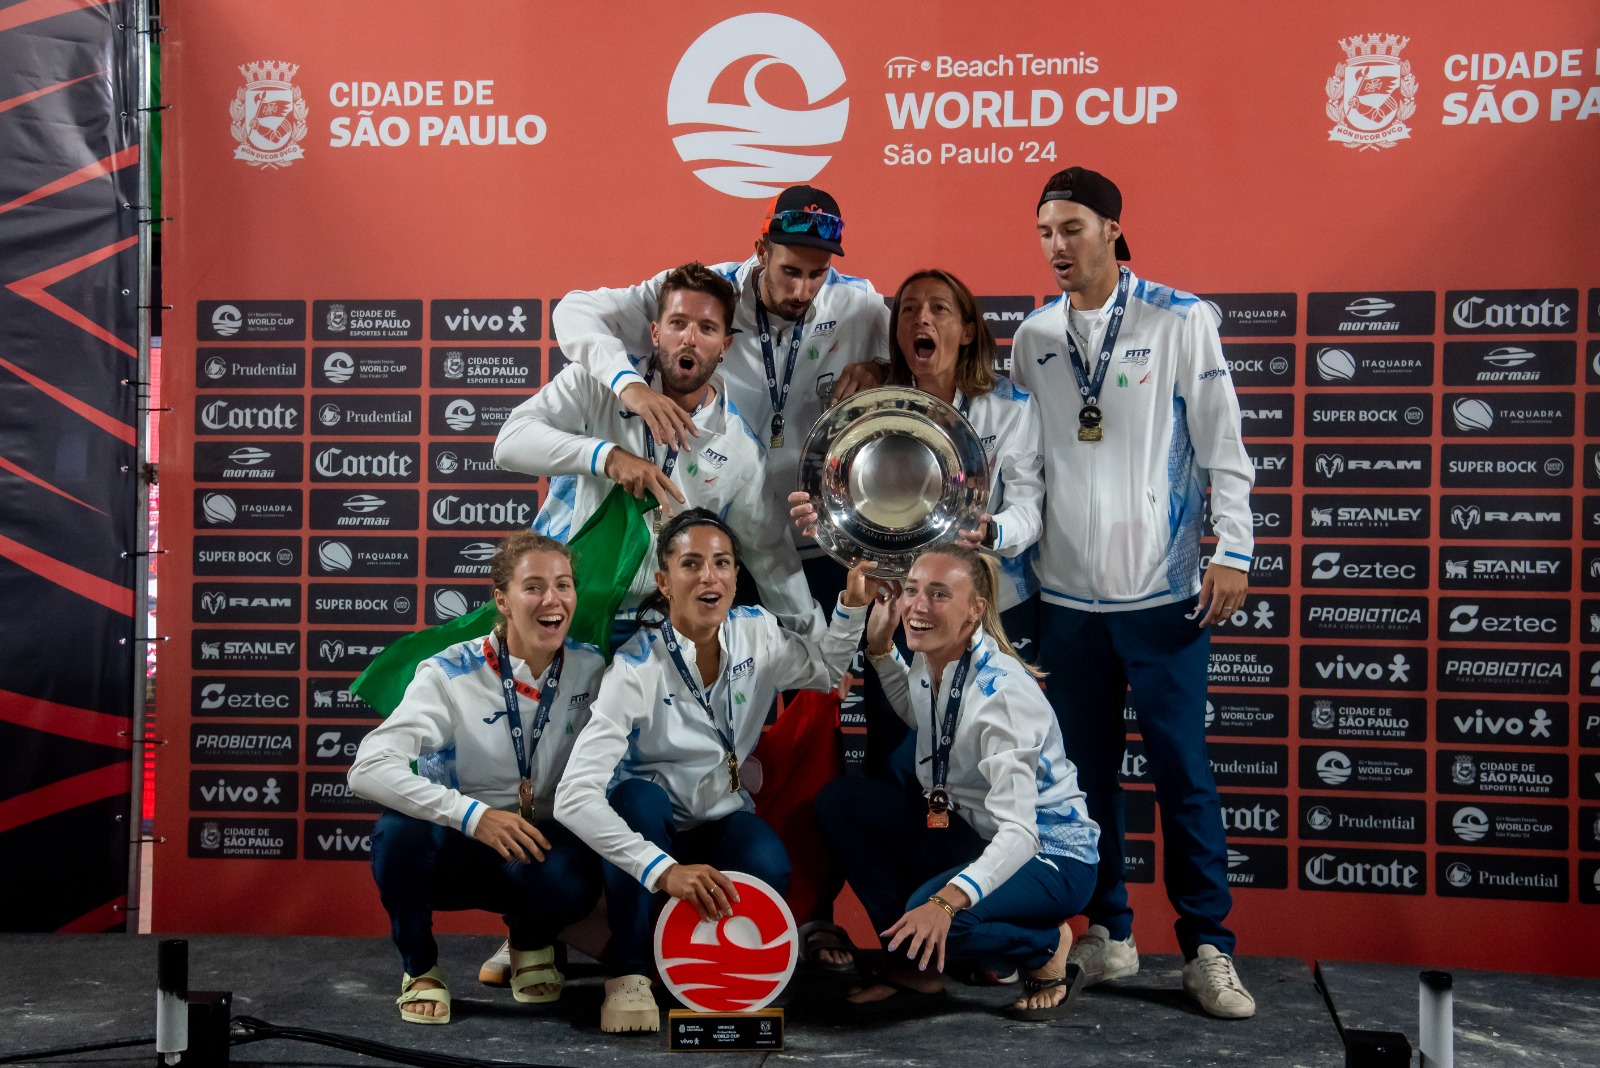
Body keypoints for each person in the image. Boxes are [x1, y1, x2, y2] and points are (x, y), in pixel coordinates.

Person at [1008, 166, 1257, 1019]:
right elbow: (1026, 473)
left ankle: (1209, 949)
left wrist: (1236, 550)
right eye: (1045, 232)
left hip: (1164, 597)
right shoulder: (1033, 336)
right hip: (1066, 604)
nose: (1056, 247)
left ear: (1114, 228)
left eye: (1072, 228)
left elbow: (1224, 445)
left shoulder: (1181, 320)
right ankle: (1110, 931)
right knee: (1084, 779)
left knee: (1184, 774)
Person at [553, 509, 878, 1033]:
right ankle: (631, 971)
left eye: (723, 563)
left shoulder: (758, 633)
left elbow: (825, 673)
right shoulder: (635, 668)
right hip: (651, 826)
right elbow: (573, 798)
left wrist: (852, 607)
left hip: (720, 814)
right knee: (636, 803)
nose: (710, 576)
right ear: (663, 581)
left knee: (768, 864)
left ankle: (712, 966)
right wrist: (663, 871)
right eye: (692, 563)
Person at [550, 185, 890, 599]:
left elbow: (932, 367)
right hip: (718, 543)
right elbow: (574, 311)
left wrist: (884, 368)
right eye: (790, 272)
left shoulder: (859, 303)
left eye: (816, 274)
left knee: (810, 654)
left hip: (816, 541)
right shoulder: (706, 298)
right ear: (762, 252)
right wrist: (630, 386)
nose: (802, 291)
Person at [814, 545, 1098, 1021]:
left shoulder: (1002, 696)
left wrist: (945, 903)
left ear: (975, 610)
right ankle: (917, 971)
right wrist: (882, 652)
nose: (917, 606)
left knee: (938, 914)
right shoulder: (937, 656)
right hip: (975, 834)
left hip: (1050, 855)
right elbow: (927, 717)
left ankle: (1046, 946)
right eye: (912, 590)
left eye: (939, 594)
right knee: (843, 803)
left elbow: (1021, 834)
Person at [347, 532, 607, 1024]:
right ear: (502, 600)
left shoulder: (593, 669)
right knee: (397, 834)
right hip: (460, 845)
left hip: (541, 847)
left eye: (564, 585)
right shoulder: (449, 671)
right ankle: (421, 968)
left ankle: (530, 940)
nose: (552, 600)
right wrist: (474, 816)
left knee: (572, 873)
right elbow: (367, 768)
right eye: (533, 587)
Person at [494, 262, 821, 641]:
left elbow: (771, 558)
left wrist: (818, 645)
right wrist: (608, 458)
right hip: (562, 610)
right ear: (655, 332)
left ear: (724, 346)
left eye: (707, 328)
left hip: (656, 629)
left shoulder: (740, 449)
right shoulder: (597, 384)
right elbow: (510, 442)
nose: (690, 339)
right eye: (678, 323)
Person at [789, 267, 1045, 645]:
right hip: (909, 608)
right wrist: (822, 518)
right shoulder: (871, 411)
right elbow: (847, 509)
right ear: (896, 332)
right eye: (908, 310)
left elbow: (1029, 511)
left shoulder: (1012, 408)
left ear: (967, 331)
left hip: (994, 605)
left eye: (939, 308)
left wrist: (991, 530)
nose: (921, 318)